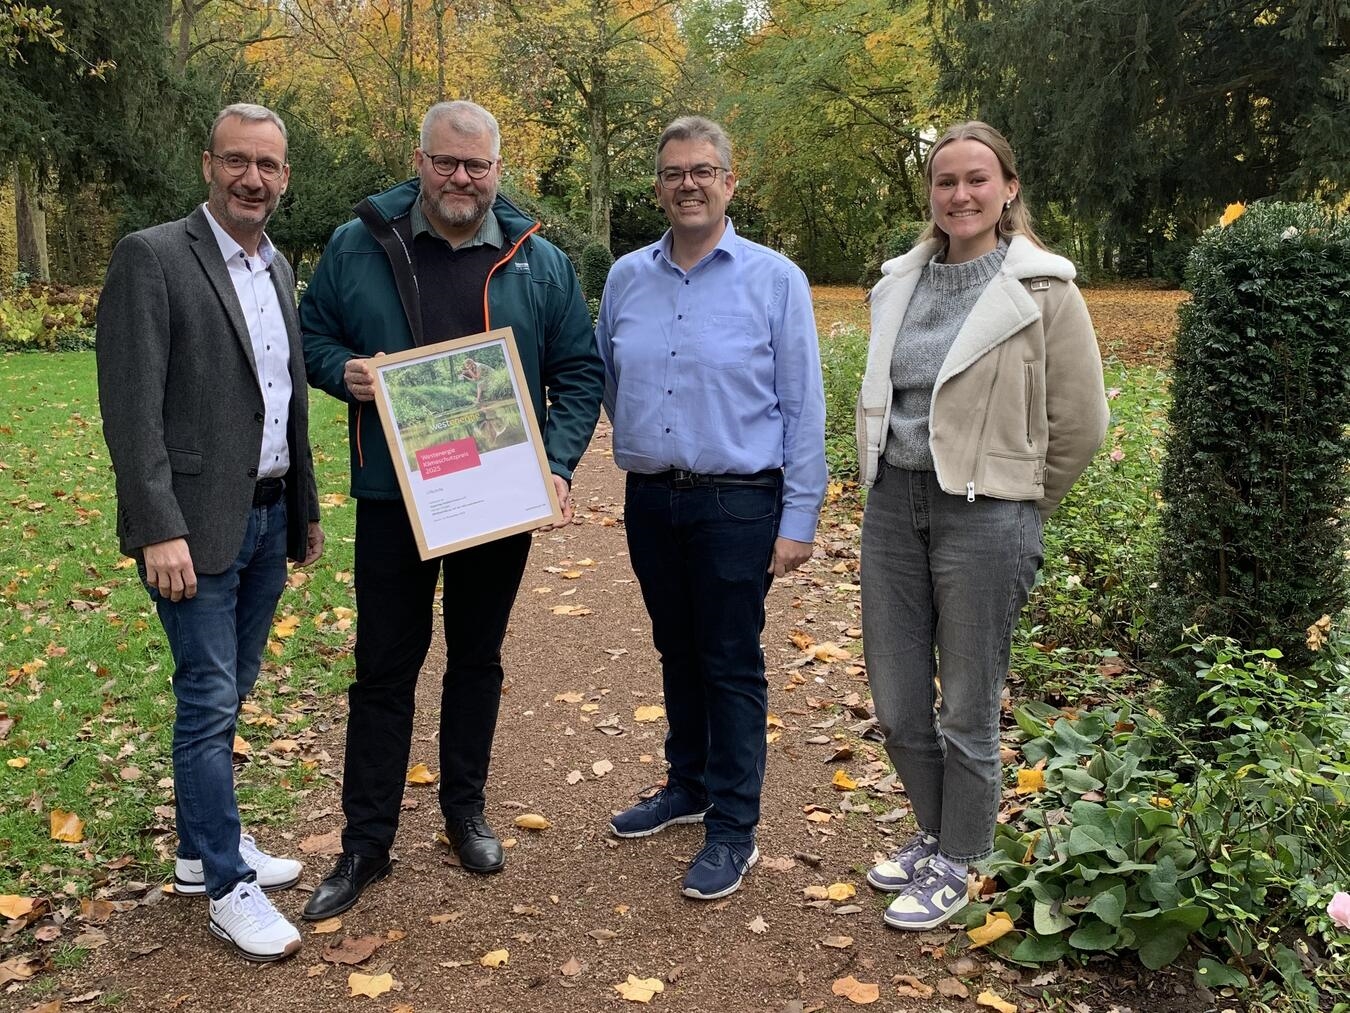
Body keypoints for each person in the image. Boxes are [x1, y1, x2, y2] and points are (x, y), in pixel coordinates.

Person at [299, 100, 603, 919]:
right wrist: (347, 371)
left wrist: (559, 463)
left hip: (495, 499)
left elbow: (579, 372)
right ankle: (366, 843)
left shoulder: (540, 260)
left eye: (476, 165)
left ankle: (464, 810)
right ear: (419, 158)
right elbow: (312, 333)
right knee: (384, 669)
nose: (460, 178)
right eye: (445, 162)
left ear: (499, 169)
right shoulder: (360, 242)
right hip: (395, 497)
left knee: (477, 658)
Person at [855, 121, 1108, 930]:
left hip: (985, 517)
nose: (959, 195)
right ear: (930, 193)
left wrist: (1020, 505)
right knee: (897, 703)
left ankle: (961, 858)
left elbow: (1082, 422)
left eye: (976, 179)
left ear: (1007, 188)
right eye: (944, 181)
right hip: (895, 505)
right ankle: (938, 832)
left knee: (967, 705)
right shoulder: (901, 281)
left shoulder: (1044, 291)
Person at [96, 103, 323, 962]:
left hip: (266, 516)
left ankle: (200, 850)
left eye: (267, 164)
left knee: (236, 685)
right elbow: (131, 408)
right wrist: (157, 526)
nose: (252, 178)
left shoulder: (278, 268)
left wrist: (302, 504)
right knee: (208, 699)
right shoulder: (153, 257)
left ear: (285, 176)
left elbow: (287, 395)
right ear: (207, 164)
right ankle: (229, 884)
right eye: (237, 161)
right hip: (191, 529)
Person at [596, 116, 827, 901]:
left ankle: (734, 824)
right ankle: (687, 785)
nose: (687, 183)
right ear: (658, 186)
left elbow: (803, 406)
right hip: (652, 496)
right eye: (672, 172)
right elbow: (611, 380)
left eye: (703, 170)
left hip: (738, 500)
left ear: (730, 182)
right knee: (676, 646)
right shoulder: (627, 277)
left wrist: (800, 517)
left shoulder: (774, 279)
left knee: (730, 660)